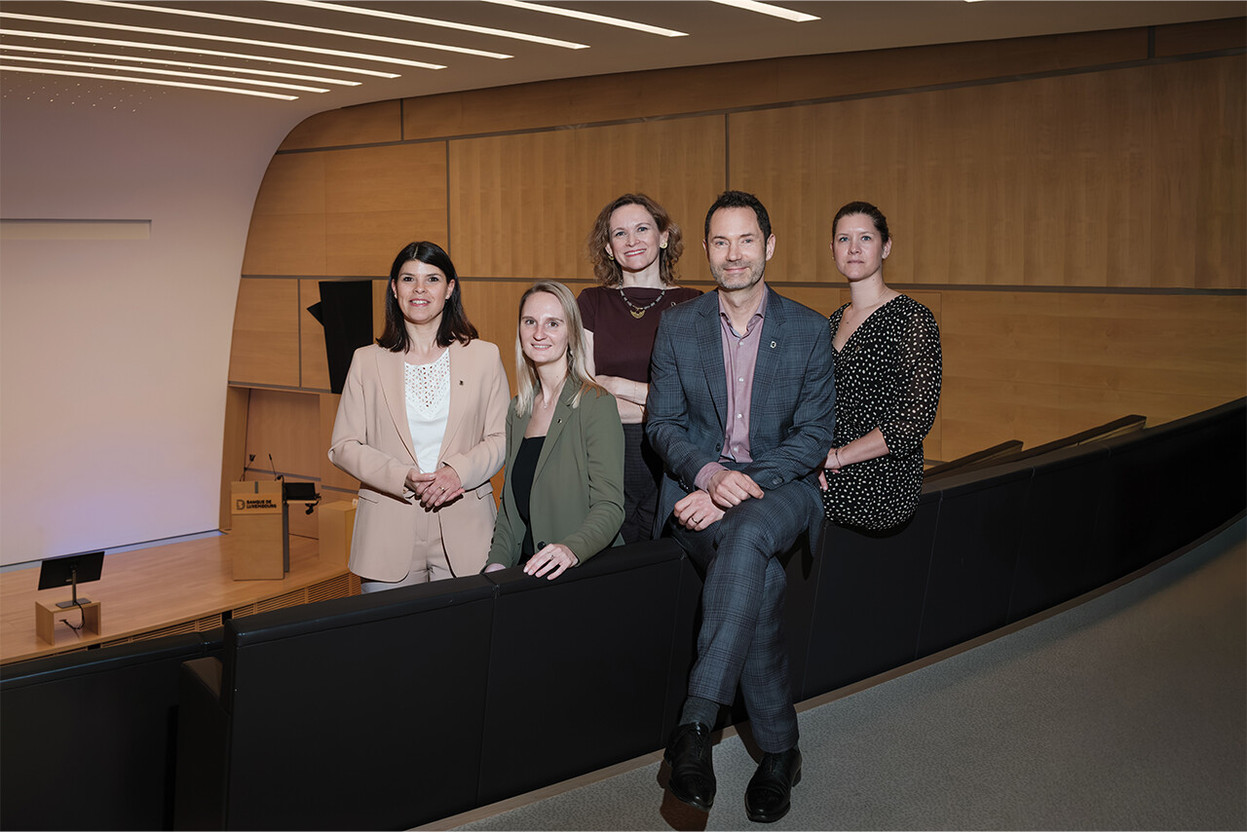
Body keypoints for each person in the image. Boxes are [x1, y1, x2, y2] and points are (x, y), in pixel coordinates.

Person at [647, 191, 835, 823]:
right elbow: (663, 425)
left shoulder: (809, 330)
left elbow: (813, 437)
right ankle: (781, 751)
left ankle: (696, 726)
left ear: (769, 246)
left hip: (781, 492)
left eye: (746, 240)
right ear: (706, 251)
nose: (734, 254)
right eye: (721, 242)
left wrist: (735, 483)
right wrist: (705, 474)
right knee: (758, 571)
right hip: (698, 496)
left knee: (750, 528)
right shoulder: (678, 326)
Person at [328, 241, 508, 591]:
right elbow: (344, 445)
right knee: (390, 644)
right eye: (409, 279)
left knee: (463, 643)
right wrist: (401, 476)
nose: (420, 289)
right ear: (394, 288)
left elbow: (501, 437)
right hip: (386, 528)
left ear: (450, 288)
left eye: (433, 279)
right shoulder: (366, 360)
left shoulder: (485, 356)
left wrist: (458, 472)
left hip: (467, 524)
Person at [579, 194, 700, 544]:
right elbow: (584, 394)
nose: (631, 241)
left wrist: (615, 384)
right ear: (607, 247)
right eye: (619, 233)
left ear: (663, 236)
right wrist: (661, 403)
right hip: (605, 451)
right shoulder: (591, 302)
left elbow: (697, 401)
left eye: (642, 229)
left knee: (663, 564)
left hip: (672, 455)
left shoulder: (694, 303)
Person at [484, 281, 626, 580]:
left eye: (553, 323)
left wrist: (570, 550)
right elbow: (510, 511)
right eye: (530, 322)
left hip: (582, 572)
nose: (539, 333)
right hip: (527, 573)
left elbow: (610, 507)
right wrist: (495, 566)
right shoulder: (518, 410)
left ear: (571, 333)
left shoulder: (596, 403)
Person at [820, 201, 942, 531]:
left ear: (885, 246)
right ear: (832, 250)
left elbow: (912, 422)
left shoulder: (911, 318)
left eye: (866, 238)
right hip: (828, 471)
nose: (854, 249)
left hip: (880, 483)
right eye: (844, 239)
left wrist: (838, 457)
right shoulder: (832, 321)